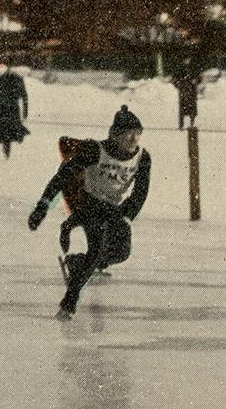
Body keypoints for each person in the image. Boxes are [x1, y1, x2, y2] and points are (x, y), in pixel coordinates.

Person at [27, 105, 152, 320]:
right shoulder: (96, 150)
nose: (134, 139)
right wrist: (43, 205)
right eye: (128, 133)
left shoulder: (143, 157)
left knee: (122, 252)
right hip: (89, 203)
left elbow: (141, 192)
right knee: (96, 250)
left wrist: (127, 216)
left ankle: (78, 263)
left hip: (114, 207)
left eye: (138, 133)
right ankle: (68, 304)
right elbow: (63, 175)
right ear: (114, 135)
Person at [0, 64, 30, 158]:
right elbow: (24, 96)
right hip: (8, 110)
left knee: (7, 133)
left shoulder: (3, 79)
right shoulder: (14, 79)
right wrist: (25, 112)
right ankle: (4, 154)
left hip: (5, 110)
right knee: (7, 133)